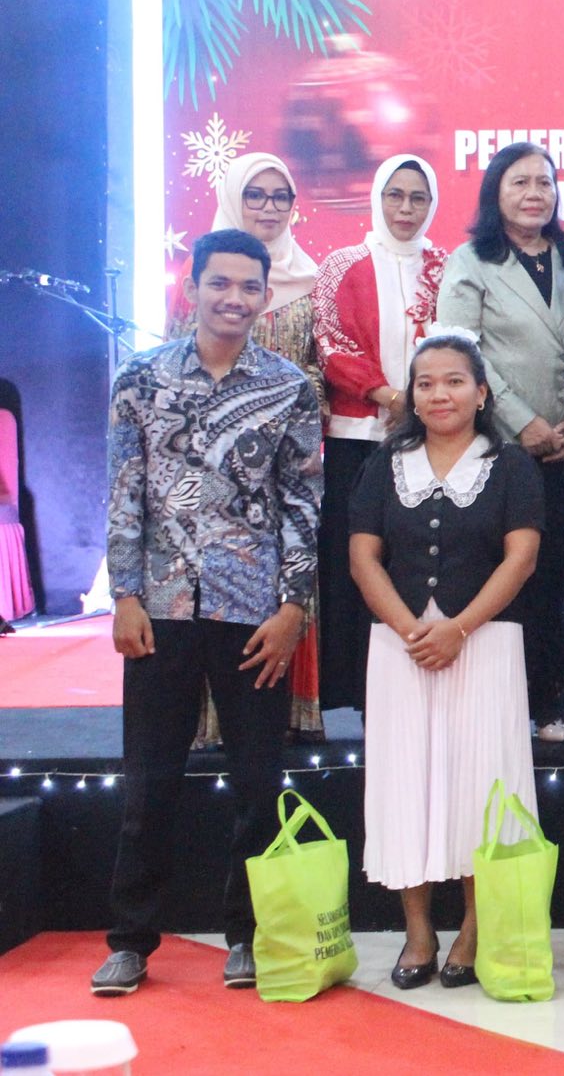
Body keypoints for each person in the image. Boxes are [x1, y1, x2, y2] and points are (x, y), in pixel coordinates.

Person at [93, 229, 323, 996]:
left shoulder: (290, 388)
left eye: (249, 286)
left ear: (265, 294)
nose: (234, 298)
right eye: (219, 282)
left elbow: (303, 504)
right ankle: (130, 940)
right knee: (148, 782)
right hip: (159, 609)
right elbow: (125, 492)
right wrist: (125, 594)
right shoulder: (140, 378)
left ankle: (248, 934)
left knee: (258, 782)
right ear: (192, 287)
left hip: (254, 612)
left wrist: (294, 607)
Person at [349, 334, 543, 989]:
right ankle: (418, 931)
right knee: (407, 783)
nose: (440, 394)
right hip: (400, 646)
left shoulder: (511, 465)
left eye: (455, 380)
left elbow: (521, 557)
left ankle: (474, 928)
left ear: (482, 392)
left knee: (483, 784)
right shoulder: (384, 464)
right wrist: (412, 630)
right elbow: (363, 558)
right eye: (426, 383)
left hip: (484, 641)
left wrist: (458, 628)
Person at [436, 142, 564, 741]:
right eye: (519, 182)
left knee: (556, 577)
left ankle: (551, 703)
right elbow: (460, 353)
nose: (534, 194)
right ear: (495, 192)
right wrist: (521, 421)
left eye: (544, 183)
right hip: (498, 449)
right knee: (499, 577)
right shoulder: (471, 261)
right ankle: (497, 707)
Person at [313, 154, 446, 713]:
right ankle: (354, 691)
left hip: (433, 443)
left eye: (418, 197)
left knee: (414, 562)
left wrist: (425, 405)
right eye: (395, 195)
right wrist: (390, 396)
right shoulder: (343, 264)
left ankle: (416, 681)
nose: (405, 208)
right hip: (358, 438)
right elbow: (331, 343)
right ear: (377, 198)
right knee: (356, 560)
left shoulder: (445, 267)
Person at [202, 151, 326, 741]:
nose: (269, 207)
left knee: (288, 569)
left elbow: (323, 366)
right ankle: (210, 721)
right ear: (234, 197)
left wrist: (299, 400)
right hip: (212, 469)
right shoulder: (201, 279)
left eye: (281, 196)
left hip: (287, 461)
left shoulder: (311, 279)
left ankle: (287, 718)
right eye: (256, 194)